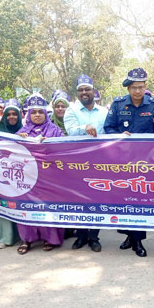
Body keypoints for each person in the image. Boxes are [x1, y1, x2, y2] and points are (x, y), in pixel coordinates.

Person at [104, 67, 154, 257]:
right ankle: (129, 235)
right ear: (128, 88)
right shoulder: (118, 104)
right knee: (124, 198)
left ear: (145, 87)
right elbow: (108, 128)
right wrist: (119, 135)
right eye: (134, 88)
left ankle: (138, 241)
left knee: (140, 199)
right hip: (122, 160)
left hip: (145, 161)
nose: (138, 91)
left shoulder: (153, 105)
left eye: (141, 87)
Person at [15, 94, 66, 254]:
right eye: (34, 112)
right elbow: (12, 153)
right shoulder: (21, 132)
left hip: (49, 177)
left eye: (40, 112)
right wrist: (18, 140)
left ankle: (50, 238)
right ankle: (26, 239)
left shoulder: (54, 131)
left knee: (48, 207)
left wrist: (50, 144)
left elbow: (65, 149)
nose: (37, 115)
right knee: (27, 206)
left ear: (45, 113)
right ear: (29, 114)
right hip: (27, 177)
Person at [64, 74, 108, 252]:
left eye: (87, 89)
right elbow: (70, 131)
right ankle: (81, 235)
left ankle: (94, 237)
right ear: (77, 92)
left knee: (97, 197)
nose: (84, 92)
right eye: (81, 90)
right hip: (77, 163)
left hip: (100, 162)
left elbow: (109, 132)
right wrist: (85, 128)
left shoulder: (104, 112)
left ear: (93, 91)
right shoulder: (71, 111)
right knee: (78, 199)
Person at [0, 98, 23, 249]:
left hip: (22, 173)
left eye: (15, 114)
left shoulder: (26, 132)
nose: (12, 117)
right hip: (4, 173)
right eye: (9, 114)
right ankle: (5, 237)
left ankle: (23, 236)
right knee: (4, 202)